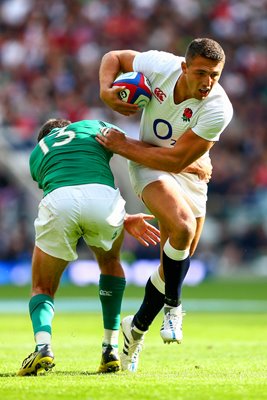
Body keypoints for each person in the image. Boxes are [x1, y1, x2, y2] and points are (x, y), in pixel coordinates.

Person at [97, 37, 233, 372]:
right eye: (200, 73)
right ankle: (174, 306)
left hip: (186, 171)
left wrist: (124, 143)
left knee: (175, 260)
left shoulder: (218, 108)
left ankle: (136, 328)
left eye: (214, 75)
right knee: (182, 226)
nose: (207, 82)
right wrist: (105, 91)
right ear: (184, 67)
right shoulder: (161, 65)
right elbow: (115, 55)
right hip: (146, 165)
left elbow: (177, 160)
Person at [17, 118, 160, 376]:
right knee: (110, 263)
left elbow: (68, 189)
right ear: (68, 125)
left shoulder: (37, 152)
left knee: (42, 287)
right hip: (103, 198)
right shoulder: (91, 125)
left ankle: (43, 346)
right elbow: (120, 144)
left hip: (59, 200)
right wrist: (124, 216)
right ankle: (110, 348)